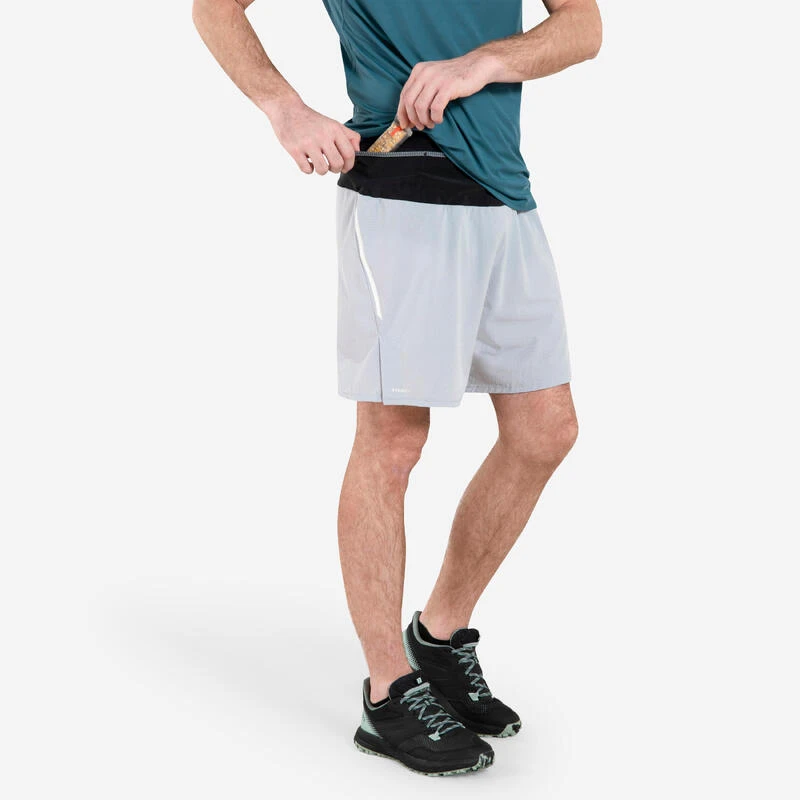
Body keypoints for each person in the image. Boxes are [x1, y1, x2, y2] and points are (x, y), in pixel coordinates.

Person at [193, 0, 601, 776]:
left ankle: (438, 637)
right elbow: (215, 9)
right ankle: (387, 692)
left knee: (546, 431)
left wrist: (483, 63)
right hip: (401, 188)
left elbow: (582, 26)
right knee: (393, 443)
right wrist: (285, 109)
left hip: (504, 192)